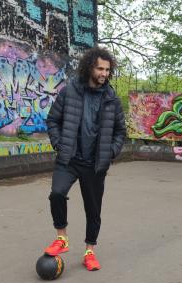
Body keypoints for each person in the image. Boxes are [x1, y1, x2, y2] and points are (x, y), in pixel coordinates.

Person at [44, 46, 126, 271]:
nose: (104, 73)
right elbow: (53, 120)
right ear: (90, 67)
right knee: (57, 193)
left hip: (95, 164)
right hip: (69, 159)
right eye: (100, 68)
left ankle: (90, 252)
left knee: (93, 210)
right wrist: (60, 144)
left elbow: (121, 131)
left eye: (108, 70)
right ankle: (62, 237)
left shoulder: (111, 98)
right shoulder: (70, 92)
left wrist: (110, 152)